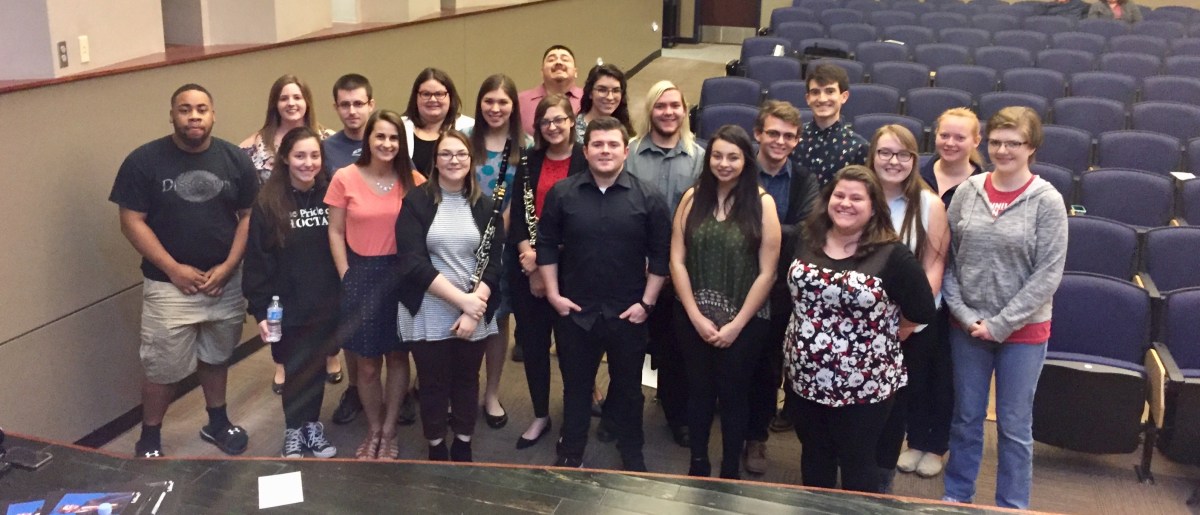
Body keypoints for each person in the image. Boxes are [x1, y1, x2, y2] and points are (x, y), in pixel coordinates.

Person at [109, 84, 257, 458]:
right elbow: (131, 221)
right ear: (172, 115)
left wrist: (229, 267)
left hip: (223, 283)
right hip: (169, 287)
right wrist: (173, 269)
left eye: (201, 109)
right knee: (162, 368)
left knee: (217, 357)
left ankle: (217, 423)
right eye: (185, 109)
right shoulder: (144, 161)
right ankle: (150, 438)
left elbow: (248, 216)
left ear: (213, 114)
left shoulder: (234, 159)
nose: (194, 116)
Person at [942, 107, 1068, 510]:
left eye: (1013, 143)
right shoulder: (968, 191)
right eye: (996, 142)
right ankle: (957, 497)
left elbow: (1048, 275)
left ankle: (1011, 505)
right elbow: (947, 260)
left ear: (1031, 146)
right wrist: (965, 316)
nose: (1002, 150)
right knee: (966, 417)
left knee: (1014, 426)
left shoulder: (1047, 200)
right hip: (968, 327)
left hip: (1024, 332)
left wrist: (999, 325)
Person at [783, 165, 936, 493]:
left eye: (856, 198)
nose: (845, 203)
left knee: (857, 463)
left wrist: (887, 332)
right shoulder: (804, 239)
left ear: (874, 207)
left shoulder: (892, 254)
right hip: (805, 376)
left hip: (865, 385)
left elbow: (922, 309)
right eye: (839, 195)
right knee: (814, 456)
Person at [537, 116, 672, 471]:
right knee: (575, 387)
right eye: (597, 144)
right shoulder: (562, 193)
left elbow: (661, 255)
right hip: (575, 311)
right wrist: (553, 295)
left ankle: (632, 451)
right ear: (586, 150)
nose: (605, 151)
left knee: (629, 389)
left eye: (613, 144)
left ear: (625, 151)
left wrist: (647, 304)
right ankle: (572, 450)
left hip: (628, 313)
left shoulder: (649, 197)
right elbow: (546, 246)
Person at [670, 125, 781, 480]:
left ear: (746, 160)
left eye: (733, 157)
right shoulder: (692, 198)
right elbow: (676, 261)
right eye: (717, 155)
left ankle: (730, 468)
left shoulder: (763, 203)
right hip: (693, 315)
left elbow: (768, 273)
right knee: (699, 392)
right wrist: (694, 315)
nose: (723, 163)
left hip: (746, 320)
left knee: (734, 395)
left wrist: (736, 325)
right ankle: (698, 463)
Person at [395, 130, 505, 463]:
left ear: (471, 160)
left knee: (467, 379)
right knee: (432, 383)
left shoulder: (486, 205)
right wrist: (464, 302)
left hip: (473, 308)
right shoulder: (416, 202)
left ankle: (463, 441)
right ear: (435, 161)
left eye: (460, 154)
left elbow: (493, 263)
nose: (453, 160)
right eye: (445, 154)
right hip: (428, 308)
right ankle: (435, 445)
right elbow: (412, 262)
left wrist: (472, 309)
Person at [325, 110, 426, 460]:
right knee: (367, 363)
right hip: (362, 274)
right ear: (368, 139)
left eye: (394, 137)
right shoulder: (345, 177)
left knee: (398, 356)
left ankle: (390, 429)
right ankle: (373, 427)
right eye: (380, 136)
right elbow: (335, 231)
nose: (387, 143)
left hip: (402, 275)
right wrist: (346, 274)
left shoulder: (414, 180)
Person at [242, 126, 340, 459]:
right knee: (295, 371)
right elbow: (257, 261)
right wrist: (259, 310)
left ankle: (311, 426)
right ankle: (293, 429)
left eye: (314, 155)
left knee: (316, 369)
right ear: (285, 158)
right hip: (286, 308)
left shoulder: (331, 195)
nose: (307, 162)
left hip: (325, 304)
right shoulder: (268, 202)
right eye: (299, 155)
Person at [899, 108, 985, 478]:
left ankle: (937, 445)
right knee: (917, 369)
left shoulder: (983, 184)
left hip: (962, 293)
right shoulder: (915, 174)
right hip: (920, 285)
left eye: (959, 137)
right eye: (944, 135)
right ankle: (915, 440)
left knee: (947, 374)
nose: (950, 143)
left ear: (975, 141)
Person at [864, 125, 950, 492]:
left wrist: (908, 320)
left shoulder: (929, 204)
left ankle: (880, 480)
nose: (893, 161)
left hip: (909, 325)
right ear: (872, 156)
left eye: (903, 155)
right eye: (885, 152)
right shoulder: (858, 196)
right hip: (861, 322)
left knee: (895, 404)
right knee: (859, 402)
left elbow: (935, 265)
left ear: (914, 160)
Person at [240, 74, 334, 395]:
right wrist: (259, 306)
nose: (291, 103)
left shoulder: (327, 142)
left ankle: (328, 361)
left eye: (297, 96)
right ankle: (285, 373)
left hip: (319, 266)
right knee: (293, 357)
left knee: (318, 351)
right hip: (278, 244)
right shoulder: (255, 146)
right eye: (284, 97)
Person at [625, 80, 705, 448]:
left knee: (675, 348)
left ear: (685, 110)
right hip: (633, 266)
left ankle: (677, 414)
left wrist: (675, 265)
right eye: (660, 105)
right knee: (628, 345)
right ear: (650, 111)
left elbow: (701, 216)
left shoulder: (699, 157)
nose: (668, 112)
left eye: (675, 105)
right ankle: (621, 412)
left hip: (680, 270)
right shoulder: (630, 152)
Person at [508, 94, 589, 450]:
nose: (553, 127)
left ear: (572, 121)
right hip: (528, 269)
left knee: (572, 352)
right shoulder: (529, 159)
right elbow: (518, 215)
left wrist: (545, 260)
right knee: (534, 347)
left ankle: (573, 420)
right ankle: (540, 414)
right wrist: (529, 256)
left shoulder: (586, 158)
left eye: (559, 120)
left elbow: (588, 219)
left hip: (572, 270)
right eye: (545, 122)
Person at [745, 99, 820, 475]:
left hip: (780, 287)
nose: (780, 141)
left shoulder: (805, 180)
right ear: (757, 134)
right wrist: (778, 231)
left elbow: (805, 232)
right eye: (772, 133)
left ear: (797, 140)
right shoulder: (739, 170)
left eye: (789, 136)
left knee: (766, 366)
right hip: (734, 279)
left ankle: (755, 437)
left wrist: (753, 228)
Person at [464, 74, 534, 431]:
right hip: (462, 243)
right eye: (488, 101)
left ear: (513, 106)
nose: (495, 108)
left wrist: (498, 231)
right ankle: (463, 389)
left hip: (502, 247)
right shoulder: (465, 140)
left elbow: (524, 199)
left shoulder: (527, 146)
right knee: (461, 315)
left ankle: (491, 393)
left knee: (497, 320)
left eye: (502, 102)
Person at [324, 73, 377, 426]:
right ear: (336, 108)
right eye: (345, 105)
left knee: (393, 330)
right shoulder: (327, 150)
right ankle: (356, 389)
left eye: (359, 103)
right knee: (352, 329)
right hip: (345, 254)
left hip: (385, 251)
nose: (352, 111)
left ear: (371, 104)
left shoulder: (386, 140)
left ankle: (400, 393)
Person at [791, 63, 868, 187]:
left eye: (830, 91)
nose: (822, 99)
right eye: (815, 92)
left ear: (844, 97)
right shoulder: (792, 138)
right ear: (808, 98)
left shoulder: (859, 148)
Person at [402, 68, 475, 177]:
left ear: (450, 96)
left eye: (439, 94)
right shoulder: (399, 127)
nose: (432, 99)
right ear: (416, 97)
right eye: (426, 94)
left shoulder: (469, 127)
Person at [518, 45, 584, 136]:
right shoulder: (521, 101)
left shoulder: (589, 98)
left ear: (576, 72)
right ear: (542, 72)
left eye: (565, 59)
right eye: (551, 60)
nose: (558, 62)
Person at [574, 64, 635, 145]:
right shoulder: (572, 131)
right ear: (590, 93)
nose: (610, 97)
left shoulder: (626, 130)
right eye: (602, 90)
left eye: (616, 91)